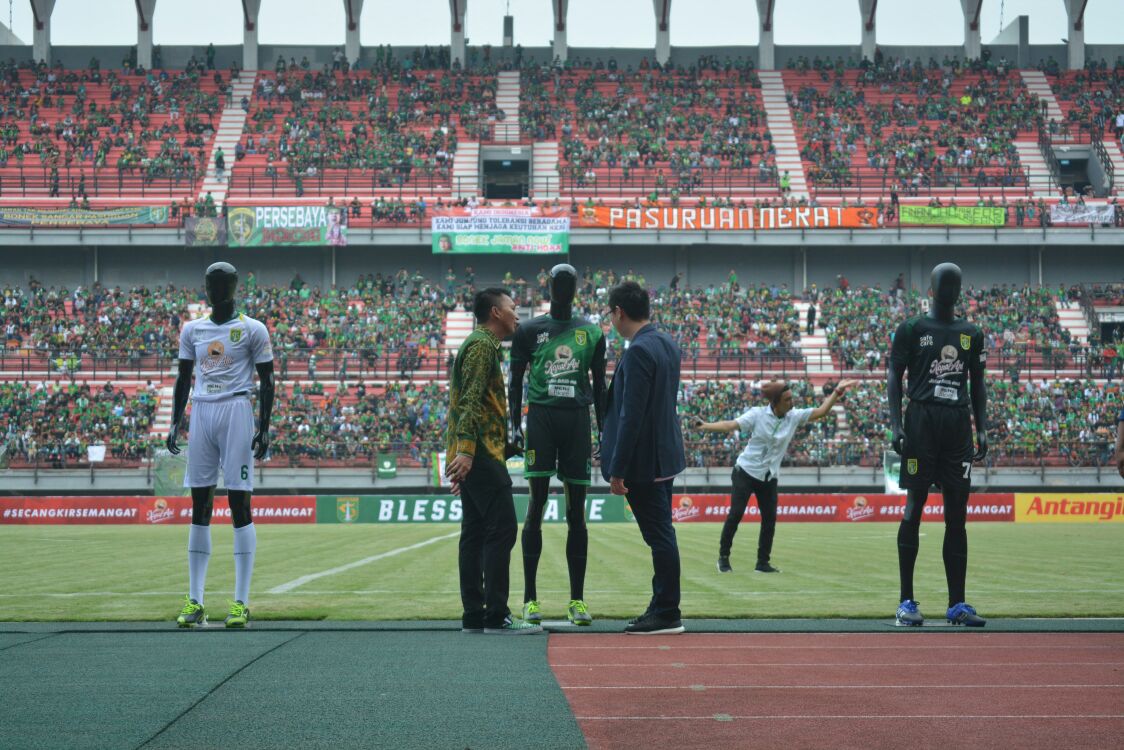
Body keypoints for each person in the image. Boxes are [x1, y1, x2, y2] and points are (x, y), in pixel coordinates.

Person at [167, 262, 275, 629]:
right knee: (200, 502)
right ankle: (195, 601)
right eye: (212, 284)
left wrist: (265, 427)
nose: (217, 290)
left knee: (239, 501)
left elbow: (268, 379)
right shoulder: (192, 329)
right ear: (206, 288)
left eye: (223, 283)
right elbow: (184, 377)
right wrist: (174, 420)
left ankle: (240, 603)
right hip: (201, 412)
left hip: (236, 411)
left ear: (234, 287)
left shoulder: (252, 329)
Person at [888, 262, 988, 628]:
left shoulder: (971, 334)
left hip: (958, 425)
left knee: (957, 516)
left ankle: (957, 605)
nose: (950, 289)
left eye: (956, 283)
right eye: (944, 283)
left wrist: (983, 428)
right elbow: (893, 377)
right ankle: (905, 602)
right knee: (913, 508)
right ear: (931, 288)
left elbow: (978, 384)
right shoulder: (912, 329)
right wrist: (897, 424)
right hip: (921, 423)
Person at [509, 264, 607, 626]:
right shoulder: (529, 330)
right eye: (557, 283)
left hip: (577, 422)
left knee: (576, 514)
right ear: (549, 287)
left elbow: (600, 390)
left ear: (576, 289)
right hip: (541, 421)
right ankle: (530, 599)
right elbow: (515, 382)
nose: (563, 289)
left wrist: (605, 429)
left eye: (569, 284)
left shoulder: (591, 333)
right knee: (535, 505)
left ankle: (577, 600)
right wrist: (513, 426)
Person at [446, 288, 541, 635]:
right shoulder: (483, 345)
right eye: (513, 307)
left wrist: (462, 450)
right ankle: (496, 613)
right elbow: (469, 400)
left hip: (480, 450)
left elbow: (470, 404)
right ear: (496, 312)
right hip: (481, 454)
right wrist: (467, 452)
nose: (517, 313)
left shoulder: (479, 344)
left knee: (473, 532)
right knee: (502, 529)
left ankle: (474, 613)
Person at [694, 379, 857, 574]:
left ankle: (762, 563)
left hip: (769, 476)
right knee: (736, 514)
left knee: (769, 520)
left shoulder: (793, 416)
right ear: (775, 402)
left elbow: (821, 412)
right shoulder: (757, 415)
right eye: (787, 399)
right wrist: (705, 426)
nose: (792, 402)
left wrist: (837, 392)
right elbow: (730, 425)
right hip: (745, 472)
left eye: (791, 398)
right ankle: (723, 558)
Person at [601, 281, 687, 635]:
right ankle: (662, 604)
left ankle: (667, 611)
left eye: (611, 313)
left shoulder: (638, 351)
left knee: (659, 536)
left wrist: (617, 469)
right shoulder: (667, 343)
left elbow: (631, 415)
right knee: (662, 534)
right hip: (664, 455)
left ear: (619, 312)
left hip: (644, 462)